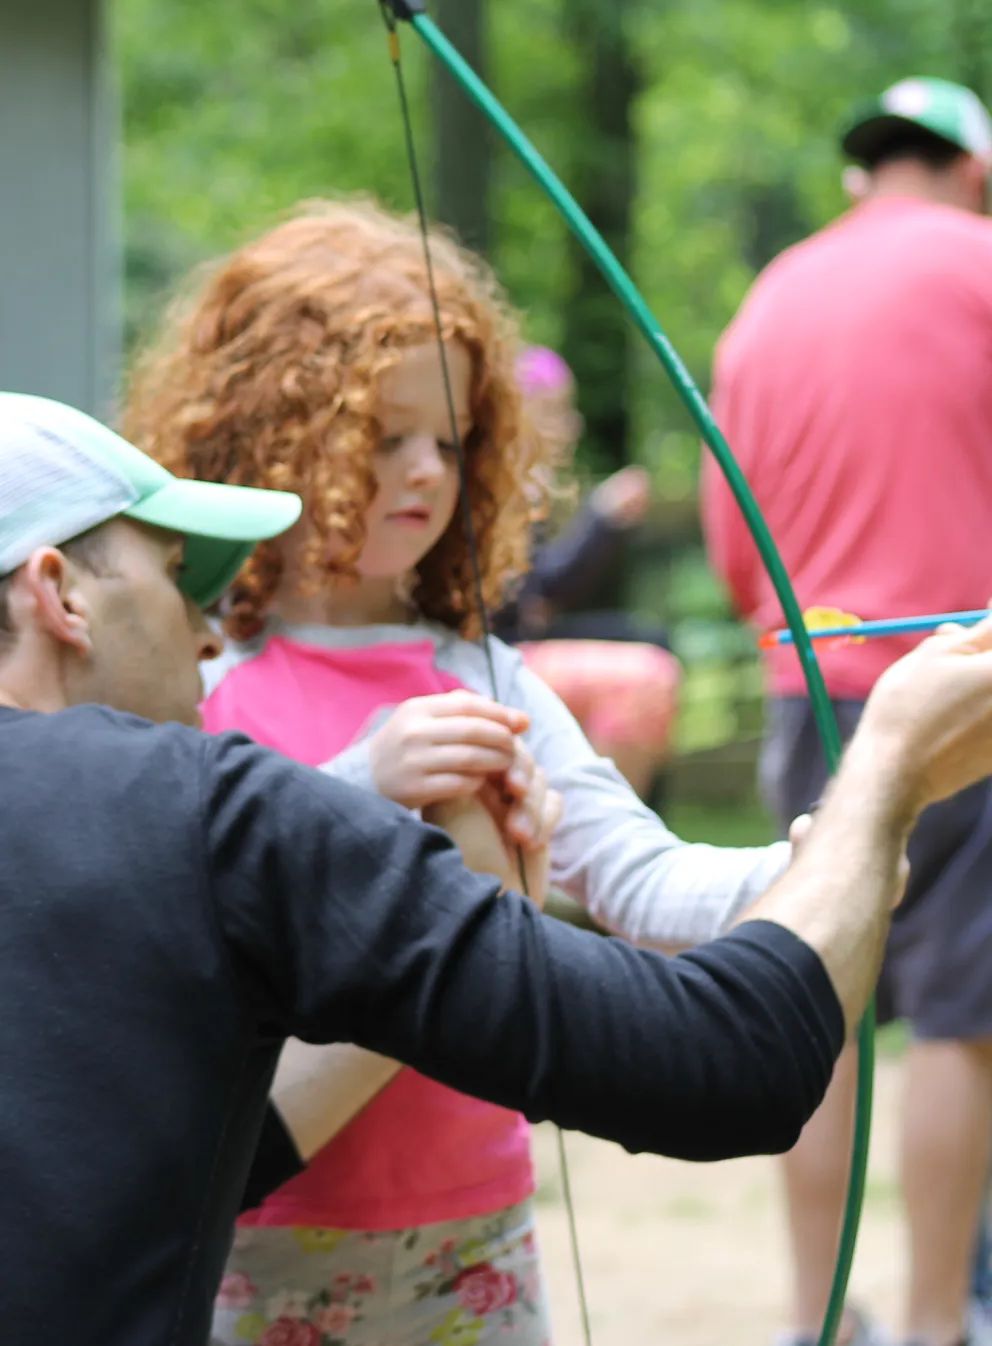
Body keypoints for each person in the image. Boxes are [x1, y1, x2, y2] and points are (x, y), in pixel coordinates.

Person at [1, 391, 977, 1343]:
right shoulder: (204, 801)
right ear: (58, 595)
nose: (205, 626)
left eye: (450, 437)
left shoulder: (448, 691)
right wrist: (883, 775)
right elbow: (725, 1061)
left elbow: (208, 1153)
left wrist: (809, 868)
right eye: (176, 573)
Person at [121, 198, 796, 1344]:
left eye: (450, 437)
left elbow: (644, 885)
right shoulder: (196, 668)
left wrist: (815, 858)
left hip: (471, 1230)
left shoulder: (487, 675)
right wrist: (355, 782)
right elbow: (168, 915)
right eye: (381, 436)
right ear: (269, 431)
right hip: (257, 1233)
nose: (424, 470)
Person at [703, 76, 992, 1346]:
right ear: (971, 170)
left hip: (807, 690)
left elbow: (731, 544)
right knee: (963, 1017)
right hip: (965, 686)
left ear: (856, 175)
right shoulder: (981, 263)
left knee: (820, 998)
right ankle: (938, 1325)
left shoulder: (766, 302)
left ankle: (817, 1321)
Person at [492, 344, 680, 800]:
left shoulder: (527, 488)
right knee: (650, 670)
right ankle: (607, 823)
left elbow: (545, 593)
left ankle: (636, 818)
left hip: (523, 637)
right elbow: (539, 593)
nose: (571, 426)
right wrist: (599, 519)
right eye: (554, 413)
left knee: (655, 638)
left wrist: (605, 524)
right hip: (500, 649)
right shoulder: (500, 489)